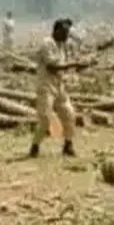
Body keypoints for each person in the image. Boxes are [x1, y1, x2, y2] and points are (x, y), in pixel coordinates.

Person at [30, 19, 93, 158]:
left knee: (70, 114)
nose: (67, 36)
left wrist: (81, 65)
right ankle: (35, 146)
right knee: (45, 120)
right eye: (64, 32)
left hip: (59, 85)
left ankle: (68, 145)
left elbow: (64, 66)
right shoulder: (47, 44)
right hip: (46, 85)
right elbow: (52, 67)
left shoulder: (62, 45)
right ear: (56, 30)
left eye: (68, 33)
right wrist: (73, 64)